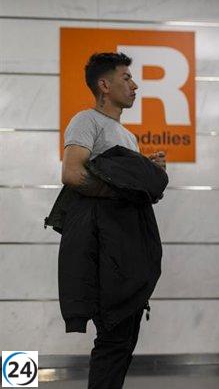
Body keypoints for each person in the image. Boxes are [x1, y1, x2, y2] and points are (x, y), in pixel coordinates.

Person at [58, 52, 166, 388]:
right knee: (113, 339)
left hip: (127, 245)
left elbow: (128, 185)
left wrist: (148, 171)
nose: (135, 86)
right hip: (107, 250)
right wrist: (122, 190)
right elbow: (72, 174)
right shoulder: (86, 120)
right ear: (104, 85)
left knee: (123, 341)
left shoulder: (126, 135)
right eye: (126, 78)